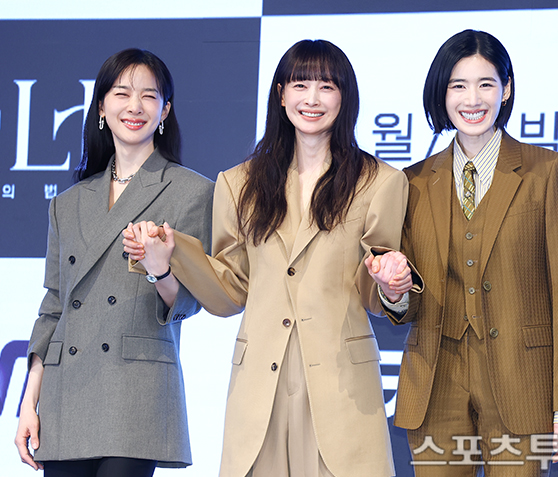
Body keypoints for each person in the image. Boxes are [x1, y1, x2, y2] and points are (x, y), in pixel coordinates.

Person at [123, 39, 410, 477]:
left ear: (345, 97)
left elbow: (375, 287)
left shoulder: (380, 182)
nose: (312, 99)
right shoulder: (238, 183)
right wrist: (173, 253)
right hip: (260, 384)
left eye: (327, 87)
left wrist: (391, 284)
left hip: (341, 384)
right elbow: (229, 292)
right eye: (300, 85)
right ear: (281, 94)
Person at [366, 29, 558, 476]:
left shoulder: (546, 171)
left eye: (486, 84)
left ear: (506, 90)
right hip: (435, 382)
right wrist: (393, 290)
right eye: (458, 86)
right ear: (442, 93)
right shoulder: (411, 181)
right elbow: (406, 300)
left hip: (522, 384)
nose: (473, 99)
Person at [14, 48, 214, 477]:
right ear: (102, 107)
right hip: (65, 395)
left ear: (165, 111)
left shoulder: (192, 191)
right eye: (122, 93)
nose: (135, 106)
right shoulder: (67, 204)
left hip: (135, 391)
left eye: (149, 95)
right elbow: (54, 309)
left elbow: (190, 302)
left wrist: (160, 269)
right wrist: (29, 402)